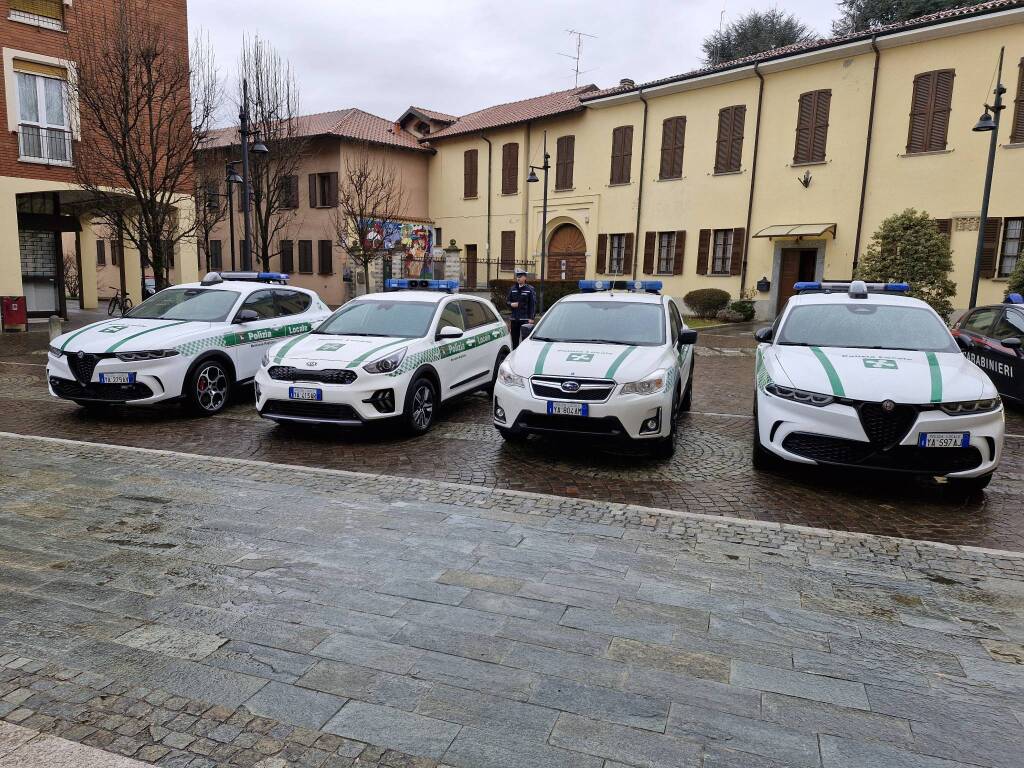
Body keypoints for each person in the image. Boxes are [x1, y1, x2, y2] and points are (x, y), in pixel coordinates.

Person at [507, 269, 537, 349]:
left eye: (520, 276)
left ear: (525, 278)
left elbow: (532, 304)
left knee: (525, 341)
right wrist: (511, 304)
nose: (518, 278)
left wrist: (531, 318)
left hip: (525, 319)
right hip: (514, 319)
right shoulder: (513, 289)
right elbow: (507, 302)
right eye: (517, 276)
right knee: (514, 340)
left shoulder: (529, 289)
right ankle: (515, 354)